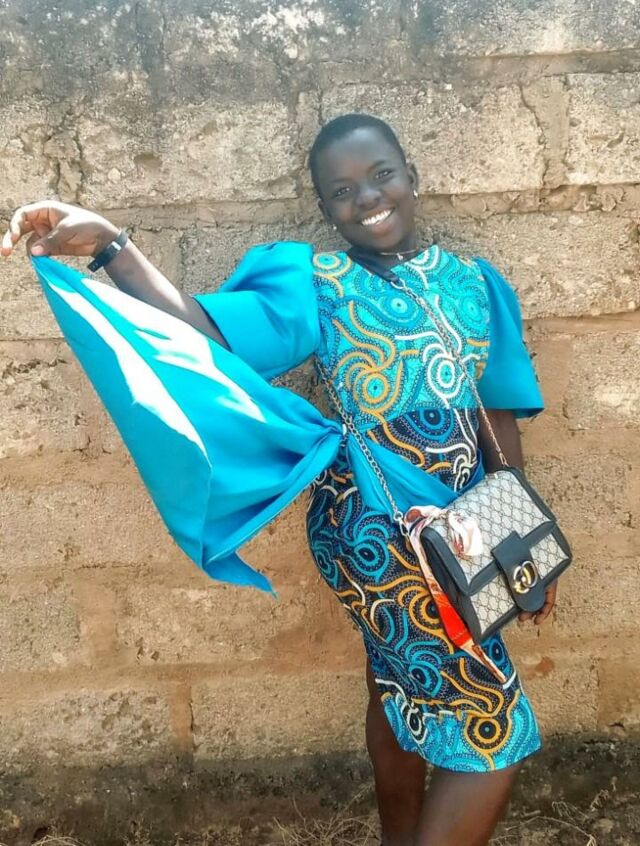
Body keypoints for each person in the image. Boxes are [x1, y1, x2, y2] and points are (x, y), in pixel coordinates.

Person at [2, 113, 558, 846]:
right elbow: (205, 331)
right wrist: (111, 245)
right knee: (493, 734)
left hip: (464, 534)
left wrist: (520, 544)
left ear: (412, 176)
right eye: (343, 191)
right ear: (326, 208)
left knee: (400, 683)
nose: (368, 197)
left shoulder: (475, 285)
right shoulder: (316, 284)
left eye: (381, 175)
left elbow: (498, 420)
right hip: (377, 531)